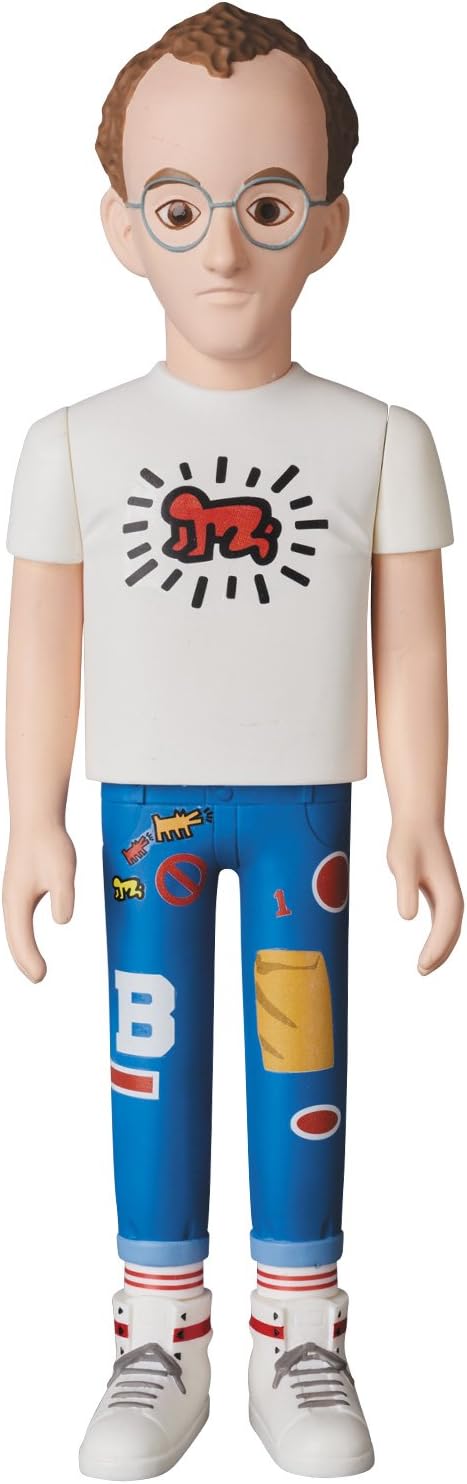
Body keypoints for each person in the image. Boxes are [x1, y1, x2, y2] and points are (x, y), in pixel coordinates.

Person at [3, 4, 463, 1478]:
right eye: (176, 208)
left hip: (303, 820)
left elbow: (411, 641)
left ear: (327, 225)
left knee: (296, 1056)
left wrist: (421, 812)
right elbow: (42, 642)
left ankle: (296, 1332)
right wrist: (30, 815)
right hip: (144, 809)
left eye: (265, 208)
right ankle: (160, 1333)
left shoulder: (381, 438)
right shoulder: (71, 443)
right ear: (120, 228)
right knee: (149, 1055)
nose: (219, 253)